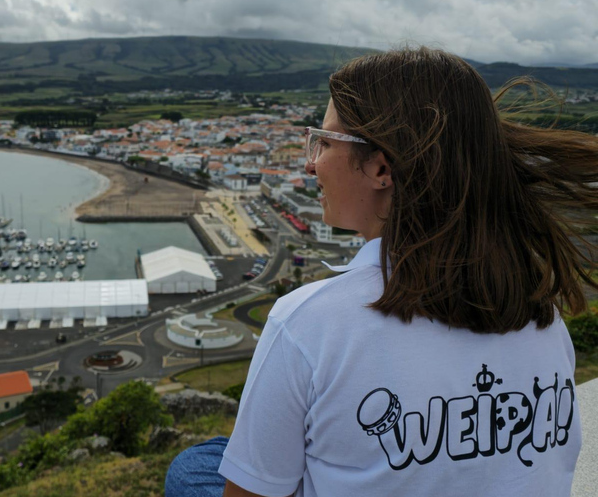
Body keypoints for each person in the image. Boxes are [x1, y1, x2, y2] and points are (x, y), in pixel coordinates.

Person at [165, 47, 597, 497]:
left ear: (380, 167)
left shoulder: (308, 323)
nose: (310, 163)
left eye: (324, 142)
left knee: (192, 469)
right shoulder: (541, 312)